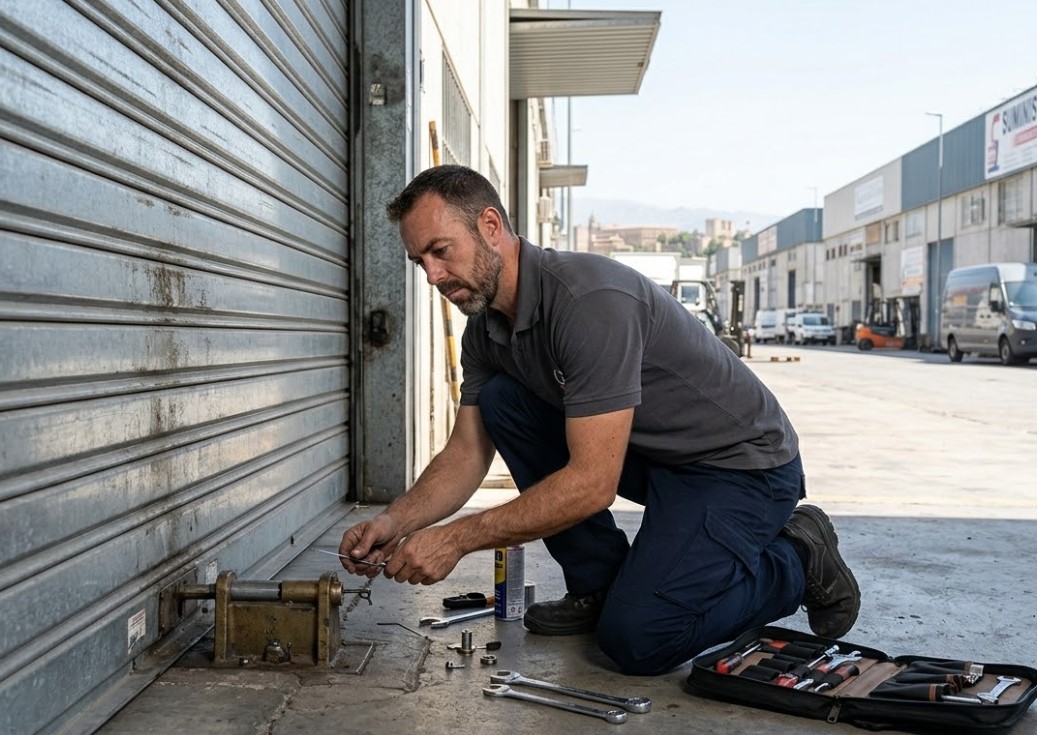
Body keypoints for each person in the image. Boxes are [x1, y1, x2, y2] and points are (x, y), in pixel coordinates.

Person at [338, 165, 860, 675]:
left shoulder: (589, 302)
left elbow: (592, 485)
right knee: (502, 400)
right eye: (419, 261)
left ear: (490, 227)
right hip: (656, 458)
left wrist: (456, 539)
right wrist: (394, 522)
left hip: (742, 469)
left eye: (440, 251)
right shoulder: (486, 331)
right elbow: (466, 453)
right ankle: (599, 585)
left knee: (640, 639)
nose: (432, 275)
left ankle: (796, 557)